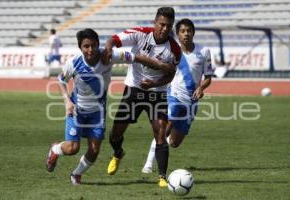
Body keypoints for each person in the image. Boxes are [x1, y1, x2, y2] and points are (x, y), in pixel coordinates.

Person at [45, 28, 172, 185]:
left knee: (94, 150)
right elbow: (61, 80)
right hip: (77, 110)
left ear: (98, 44)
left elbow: (137, 58)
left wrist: (160, 65)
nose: (90, 50)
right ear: (80, 47)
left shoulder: (109, 56)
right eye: (86, 46)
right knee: (72, 148)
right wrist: (67, 101)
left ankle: (76, 174)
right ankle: (55, 149)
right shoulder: (74, 63)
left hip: (97, 113)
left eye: (93, 45)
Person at [102, 7, 181, 187]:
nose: (165, 29)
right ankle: (118, 153)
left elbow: (171, 74)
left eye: (169, 26)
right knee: (115, 134)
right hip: (134, 89)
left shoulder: (175, 49)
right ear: (154, 22)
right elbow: (113, 40)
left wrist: (154, 84)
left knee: (160, 132)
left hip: (157, 93)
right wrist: (108, 48)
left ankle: (162, 177)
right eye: (161, 24)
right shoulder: (140, 33)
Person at [141, 18, 213, 174]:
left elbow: (208, 77)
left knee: (174, 142)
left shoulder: (204, 52)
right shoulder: (172, 51)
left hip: (191, 102)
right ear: (177, 34)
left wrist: (201, 88)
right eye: (182, 31)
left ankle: (161, 150)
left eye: (189, 30)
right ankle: (148, 164)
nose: (186, 34)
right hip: (173, 96)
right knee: (164, 130)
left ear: (193, 32)